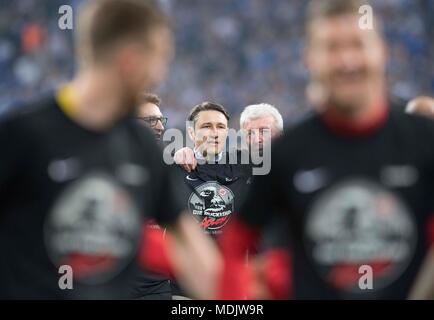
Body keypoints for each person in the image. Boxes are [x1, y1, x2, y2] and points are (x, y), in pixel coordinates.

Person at [0, 0, 220, 299]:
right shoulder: (22, 136)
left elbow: (197, 259)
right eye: (160, 60)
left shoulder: (142, 147)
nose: (162, 74)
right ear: (130, 61)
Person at [217, 0, 434, 300]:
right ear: (309, 59)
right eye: (332, 48)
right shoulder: (286, 153)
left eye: (357, 44)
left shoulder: (425, 140)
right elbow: (236, 243)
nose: (347, 61)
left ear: (382, 51)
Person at [175, 103, 284, 172]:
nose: (257, 139)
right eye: (250, 133)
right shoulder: (236, 168)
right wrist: (184, 153)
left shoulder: (297, 163)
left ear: (280, 133)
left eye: (264, 131)